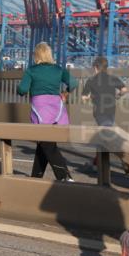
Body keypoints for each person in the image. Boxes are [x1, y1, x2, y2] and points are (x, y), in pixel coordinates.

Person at [17, 42, 76, 182]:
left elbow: (22, 90)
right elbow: (74, 83)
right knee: (44, 143)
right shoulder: (58, 69)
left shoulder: (32, 70)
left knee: (46, 143)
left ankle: (65, 176)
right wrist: (65, 93)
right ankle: (35, 178)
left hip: (40, 108)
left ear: (36, 56)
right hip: (57, 107)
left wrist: (20, 91)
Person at [82, 56, 129, 174]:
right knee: (104, 137)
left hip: (99, 113)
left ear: (95, 67)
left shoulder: (91, 80)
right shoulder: (112, 78)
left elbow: (84, 98)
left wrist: (90, 97)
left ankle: (125, 159)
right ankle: (96, 163)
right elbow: (124, 89)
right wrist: (118, 96)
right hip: (111, 111)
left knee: (106, 139)